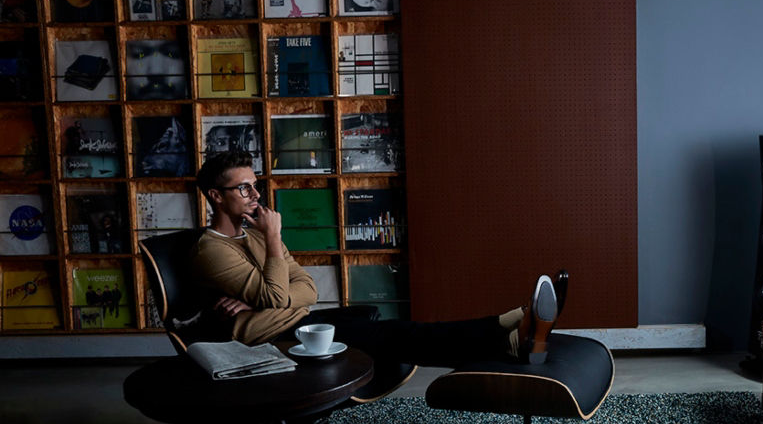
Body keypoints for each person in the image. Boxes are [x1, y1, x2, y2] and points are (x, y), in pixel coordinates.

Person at [189, 150, 558, 383]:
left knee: (399, 328)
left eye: (255, 186)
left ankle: (506, 322)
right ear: (216, 196)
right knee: (398, 336)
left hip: (299, 323)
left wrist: (263, 300)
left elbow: (306, 290)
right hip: (276, 343)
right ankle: (506, 343)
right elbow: (280, 294)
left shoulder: (254, 233)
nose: (255, 196)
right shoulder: (214, 249)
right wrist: (273, 242)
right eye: (243, 189)